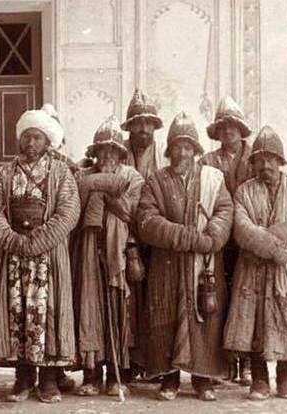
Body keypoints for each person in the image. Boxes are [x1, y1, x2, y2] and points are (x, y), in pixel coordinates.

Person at [0, 108, 80, 404]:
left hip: (48, 255)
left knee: (48, 312)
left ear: (48, 142)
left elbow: (68, 212)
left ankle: (49, 380)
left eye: (37, 138)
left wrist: (38, 241)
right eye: (27, 137)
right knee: (17, 312)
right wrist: (11, 239)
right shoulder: (4, 173)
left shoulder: (61, 173)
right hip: (14, 256)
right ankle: (22, 377)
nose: (31, 143)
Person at [136, 112, 233, 401]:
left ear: (196, 150)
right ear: (169, 150)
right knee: (166, 315)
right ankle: (169, 379)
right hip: (167, 264)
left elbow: (225, 210)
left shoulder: (212, 179)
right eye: (177, 146)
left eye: (188, 146)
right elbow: (147, 220)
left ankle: (203, 379)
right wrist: (188, 237)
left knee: (205, 315)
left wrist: (212, 236)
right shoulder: (155, 181)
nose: (182, 152)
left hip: (203, 264)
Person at [224, 126, 287, 400]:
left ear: (280, 162)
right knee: (255, 324)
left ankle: (286, 377)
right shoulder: (244, 192)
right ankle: (259, 379)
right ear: (253, 164)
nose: (266, 165)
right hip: (253, 270)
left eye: (271, 159)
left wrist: (272, 240)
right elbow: (241, 229)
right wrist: (270, 247)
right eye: (260, 160)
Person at [72, 115, 144, 396]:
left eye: (113, 151)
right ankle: (91, 375)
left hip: (120, 251)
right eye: (102, 150)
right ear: (95, 153)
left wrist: (100, 189)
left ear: (120, 154)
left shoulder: (132, 177)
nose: (107, 155)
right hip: (89, 248)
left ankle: (118, 374)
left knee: (118, 310)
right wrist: (99, 184)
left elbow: (130, 212)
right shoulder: (83, 177)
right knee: (90, 307)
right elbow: (75, 207)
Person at [200, 96, 253, 385]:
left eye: (233, 126)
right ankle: (222, 363)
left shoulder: (254, 158)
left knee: (245, 300)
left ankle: (245, 363)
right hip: (219, 240)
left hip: (245, 240)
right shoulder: (208, 161)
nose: (228, 132)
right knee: (217, 299)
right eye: (223, 127)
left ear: (240, 129)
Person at [120, 89, 167, 377]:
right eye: (138, 124)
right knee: (128, 300)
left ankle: (155, 363)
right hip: (125, 235)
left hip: (157, 236)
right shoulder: (118, 153)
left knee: (156, 299)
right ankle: (129, 362)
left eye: (148, 124)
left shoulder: (163, 155)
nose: (143, 130)